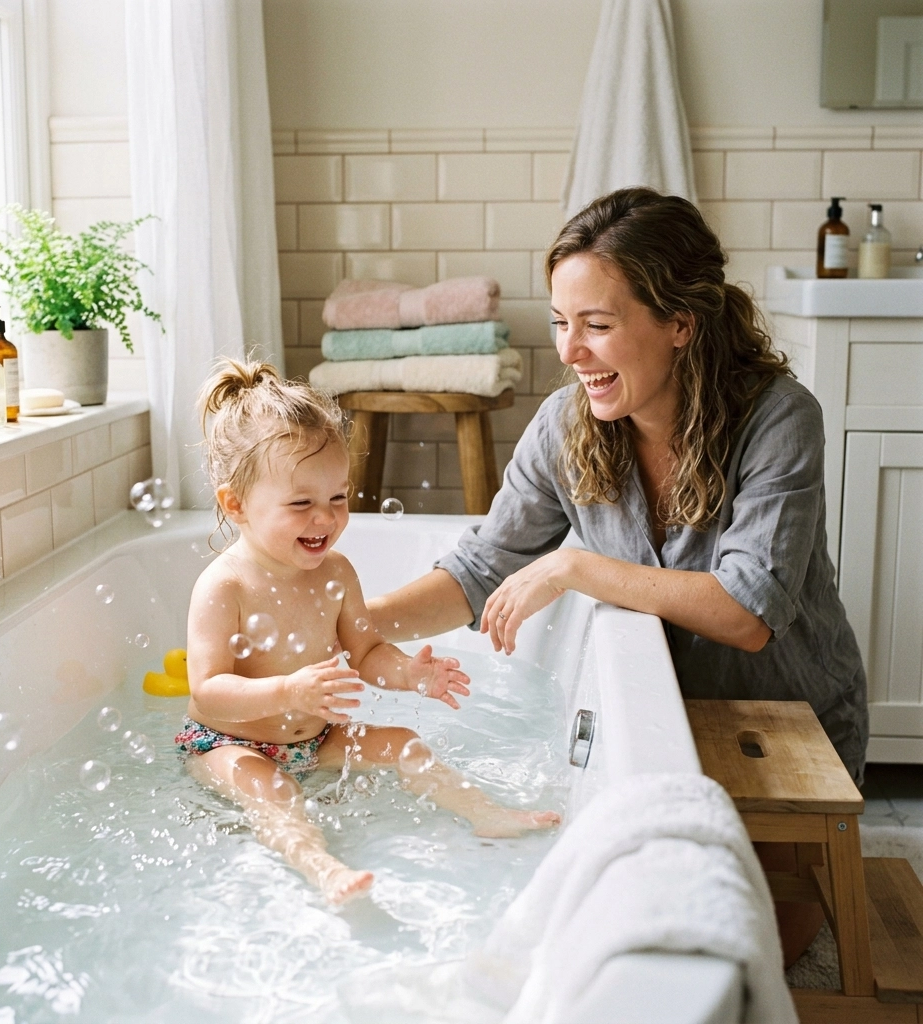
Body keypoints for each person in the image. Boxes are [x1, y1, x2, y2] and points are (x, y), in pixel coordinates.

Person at [367, 187, 868, 962]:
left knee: (750, 953)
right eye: (563, 323)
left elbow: (745, 611)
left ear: (679, 324)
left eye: (597, 325)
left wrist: (574, 566)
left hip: (784, 722)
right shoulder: (568, 425)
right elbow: (476, 569)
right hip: (658, 723)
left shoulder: (778, 419)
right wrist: (349, 628)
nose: (570, 352)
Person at [179, 359, 560, 904]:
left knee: (404, 744)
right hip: (228, 741)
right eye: (301, 504)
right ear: (235, 504)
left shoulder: (336, 573)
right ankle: (322, 867)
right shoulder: (225, 587)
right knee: (271, 788)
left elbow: (367, 651)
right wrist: (289, 691)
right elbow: (207, 689)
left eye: (337, 498)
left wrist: (408, 674)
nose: (326, 519)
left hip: (314, 739)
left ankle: (486, 814)